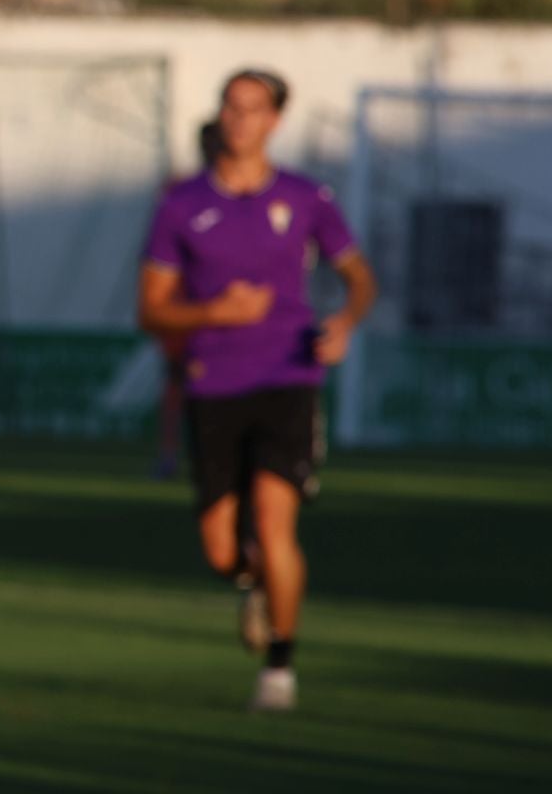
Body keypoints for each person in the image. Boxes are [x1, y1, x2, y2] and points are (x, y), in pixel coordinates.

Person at [137, 68, 378, 712]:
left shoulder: (305, 196)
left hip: (288, 378)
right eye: (231, 106)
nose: (240, 119)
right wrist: (213, 314)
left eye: (254, 108)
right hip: (213, 383)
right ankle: (253, 584)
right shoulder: (181, 205)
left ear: (275, 120)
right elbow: (151, 310)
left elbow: (359, 278)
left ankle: (279, 668)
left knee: (275, 523)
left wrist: (345, 322)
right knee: (222, 549)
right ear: (220, 115)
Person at [151, 118, 226, 482]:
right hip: (187, 304)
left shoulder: (249, 192)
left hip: (228, 304)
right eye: (208, 145)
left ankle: (221, 454)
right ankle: (170, 452)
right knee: (178, 377)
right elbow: (161, 250)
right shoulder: (181, 191)